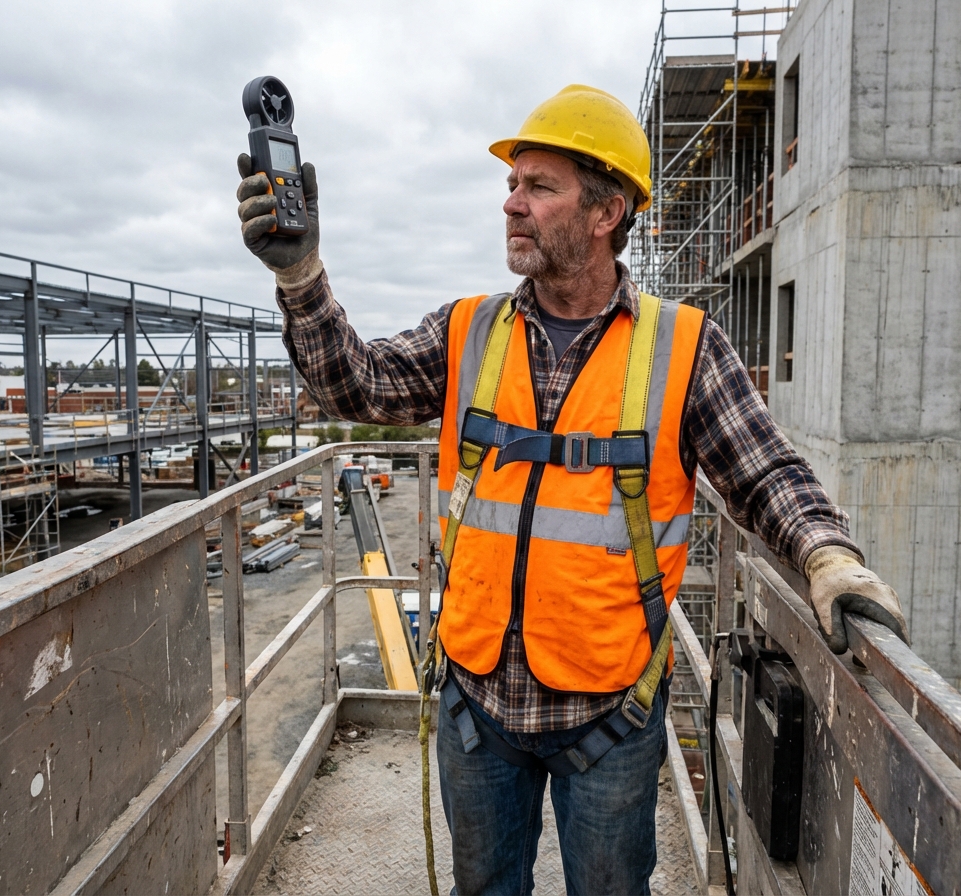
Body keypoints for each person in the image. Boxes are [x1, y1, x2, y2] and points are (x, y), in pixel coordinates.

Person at [235, 84, 907, 896]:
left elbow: (764, 470)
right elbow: (358, 388)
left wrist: (827, 553)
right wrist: (301, 274)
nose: (511, 204)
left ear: (606, 211)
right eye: (512, 184)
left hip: (609, 719)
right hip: (477, 703)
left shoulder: (682, 349)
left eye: (538, 187)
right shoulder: (468, 330)